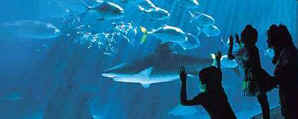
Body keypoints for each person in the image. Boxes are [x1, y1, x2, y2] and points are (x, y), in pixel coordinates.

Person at [228, 25, 275, 119]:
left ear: (243, 38)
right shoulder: (254, 48)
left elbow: (230, 56)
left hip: (250, 78)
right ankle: (267, 117)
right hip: (259, 75)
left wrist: (231, 44)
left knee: (261, 100)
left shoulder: (245, 50)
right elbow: (247, 55)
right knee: (263, 101)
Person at [179, 52, 237, 119]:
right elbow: (218, 74)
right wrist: (218, 60)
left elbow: (184, 102)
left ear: (203, 83)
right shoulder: (218, 90)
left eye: (200, 81)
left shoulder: (204, 97)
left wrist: (183, 81)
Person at [267, 24, 298, 119]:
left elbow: (284, 76)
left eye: (269, 39)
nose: (267, 41)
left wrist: (268, 81)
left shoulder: (287, 55)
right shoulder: (289, 52)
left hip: (292, 102)